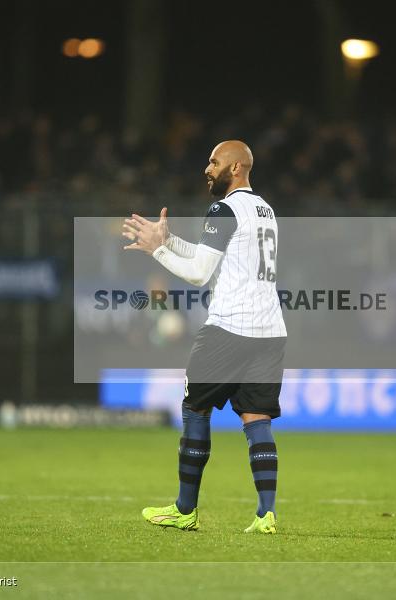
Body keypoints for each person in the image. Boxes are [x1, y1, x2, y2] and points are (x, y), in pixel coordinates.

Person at [122, 140, 286, 534]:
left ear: (235, 168)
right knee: (257, 419)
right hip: (270, 331)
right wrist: (169, 239)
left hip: (230, 327)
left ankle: (185, 509)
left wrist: (156, 252)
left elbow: (198, 274)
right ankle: (266, 515)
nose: (207, 168)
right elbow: (214, 257)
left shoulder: (223, 208)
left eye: (214, 162)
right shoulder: (264, 208)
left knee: (196, 408)